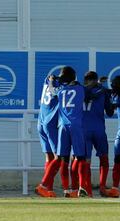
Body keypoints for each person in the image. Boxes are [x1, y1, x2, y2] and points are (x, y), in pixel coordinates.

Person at [37, 66, 87, 198]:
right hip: (54, 123)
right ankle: (68, 188)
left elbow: (52, 88)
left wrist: (53, 80)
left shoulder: (50, 81)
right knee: (67, 158)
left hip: (42, 121)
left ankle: (49, 189)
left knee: (52, 157)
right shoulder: (75, 88)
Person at [82, 71, 114, 197]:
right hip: (99, 130)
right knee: (104, 158)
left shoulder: (79, 91)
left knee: (85, 161)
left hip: (84, 130)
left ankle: (88, 190)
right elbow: (110, 112)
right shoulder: (103, 91)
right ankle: (102, 187)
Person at [35, 75, 61, 197]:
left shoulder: (47, 81)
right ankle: (43, 185)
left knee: (49, 157)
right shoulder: (60, 87)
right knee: (58, 157)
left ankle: (48, 189)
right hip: (50, 124)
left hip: (41, 121)